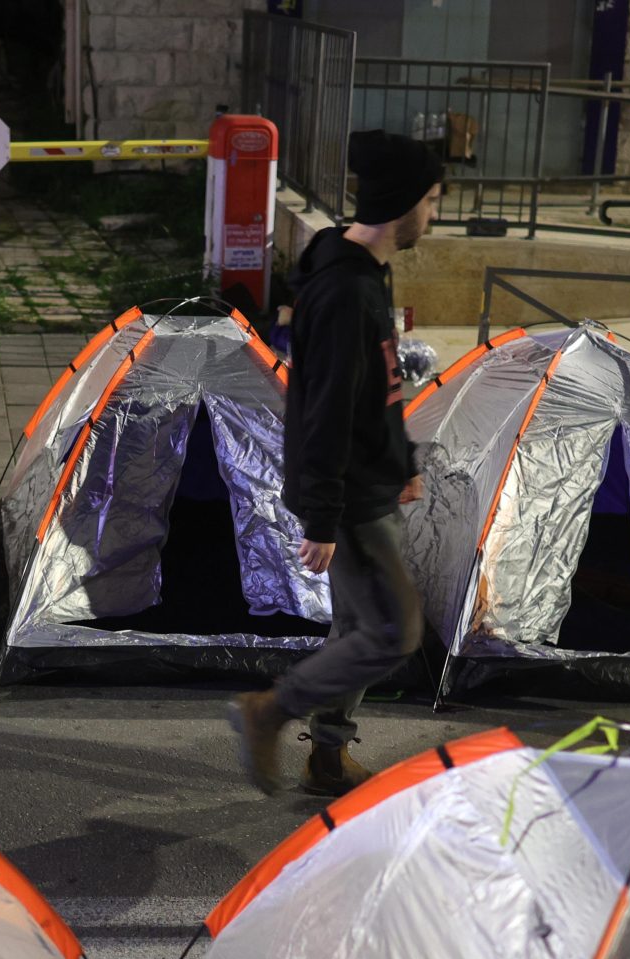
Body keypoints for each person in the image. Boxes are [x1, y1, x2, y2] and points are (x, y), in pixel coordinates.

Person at [225, 130, 437, 797]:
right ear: (402, 204)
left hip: (369, 479)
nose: (434, 214)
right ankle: (271, 710)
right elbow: (323, 409)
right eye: (431, 200)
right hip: (349, 496)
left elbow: (378, 387)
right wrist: (321, 514)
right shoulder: (346, 292)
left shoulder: (363, 268)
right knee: (393, 633)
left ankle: (326, 757)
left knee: (354, 625)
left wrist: (401, 457)